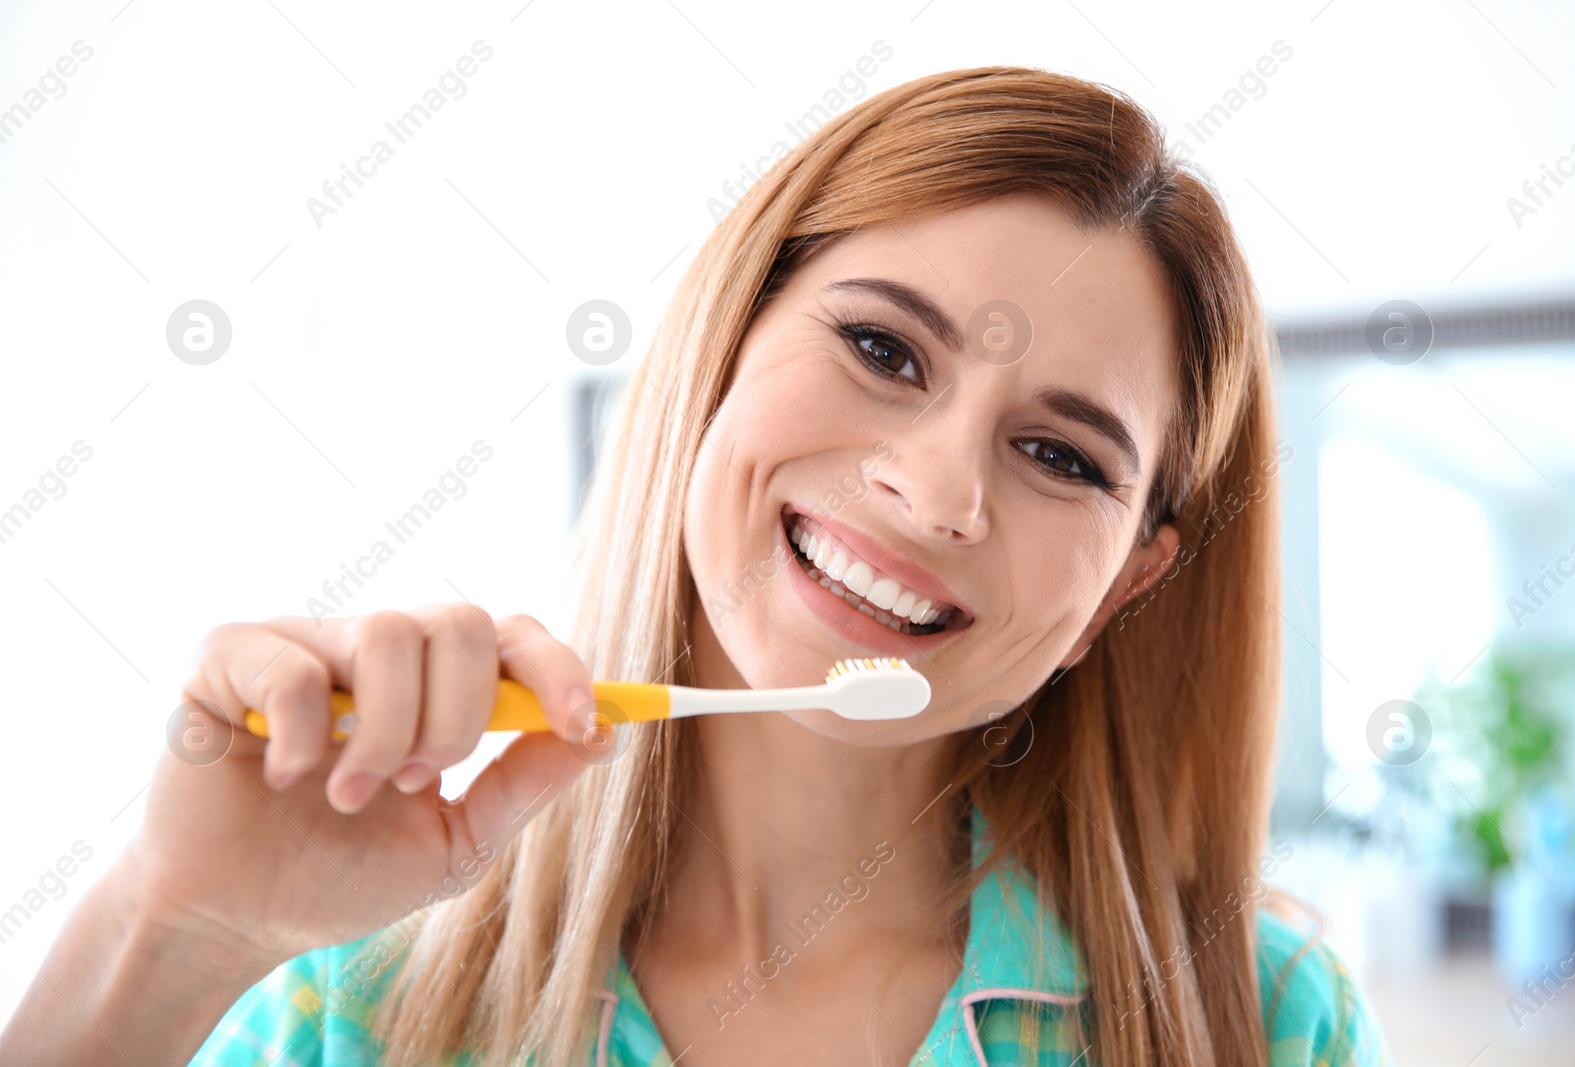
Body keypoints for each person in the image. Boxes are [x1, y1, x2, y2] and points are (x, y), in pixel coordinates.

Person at [1, 66, 1393, 1066]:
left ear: (1123, 590)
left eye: (1065, 458)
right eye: (884, 350)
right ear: (717, 353)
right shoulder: (352, 1007)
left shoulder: (1263, 1026)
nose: (939, 490)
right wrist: (173, 928)